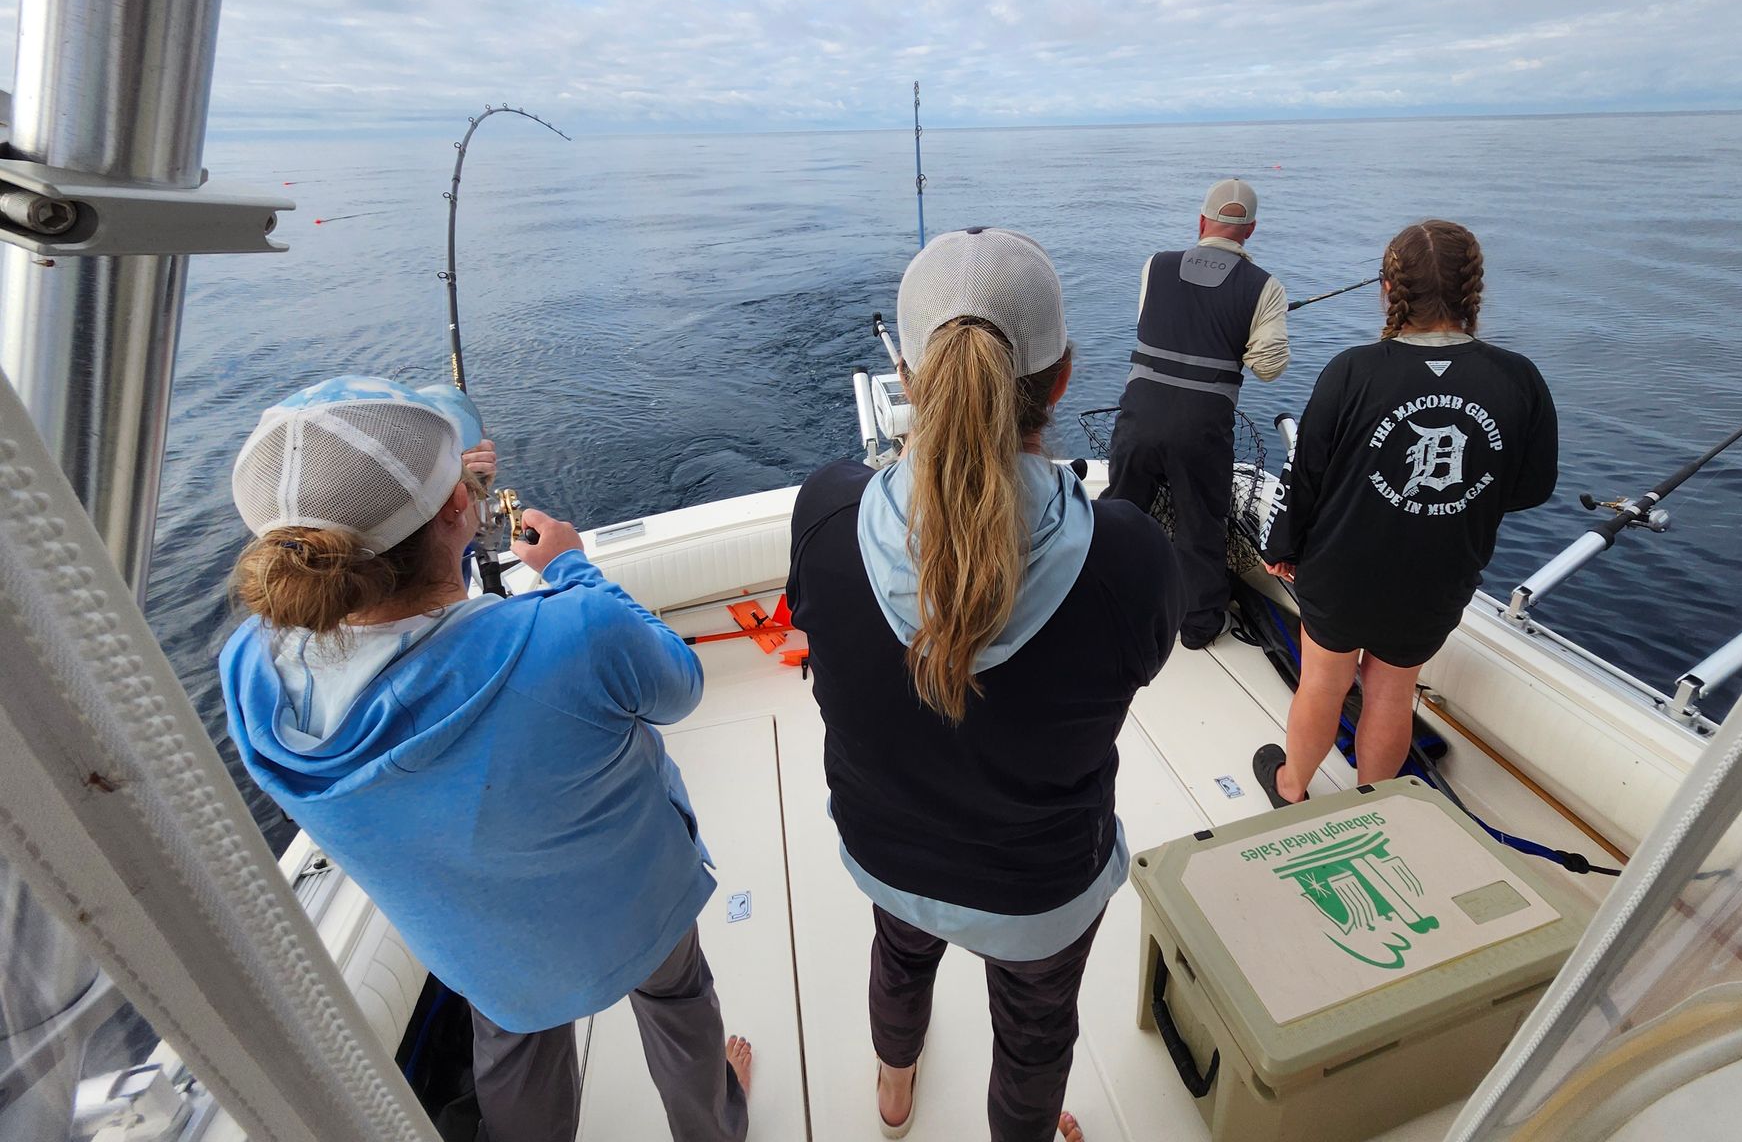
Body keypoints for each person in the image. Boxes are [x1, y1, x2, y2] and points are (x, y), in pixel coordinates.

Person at [218, 376, 750, 1142]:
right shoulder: (578, 628)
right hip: (636, 913)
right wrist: (571, 567)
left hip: (486, 952)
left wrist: (447, 516)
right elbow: (682, 685)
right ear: (458, 510)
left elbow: (398, 614)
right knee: (678, 1004)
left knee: (514, 1052)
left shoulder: (250, 677)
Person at [789, 229, 1179, 1142]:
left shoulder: (825, 512)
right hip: (1040, 891)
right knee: (1037, 1033)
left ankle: (894, 1089)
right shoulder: (1129, 559)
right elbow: (1141, 666)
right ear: (1064, 375)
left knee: (900, 955)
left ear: (910, 380)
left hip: (885, 853)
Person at [1251, 220, 1558, 807]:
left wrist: (1282, 547)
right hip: (1438, 573)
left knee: (1324, 682)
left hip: (1342, 568)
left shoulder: (1352, 370)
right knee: (1392, 691)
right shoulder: (1519, 378)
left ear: (1389, 289)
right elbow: (1531, 487)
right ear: (1475, 291)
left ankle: (1292, 787)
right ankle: (1374, 801)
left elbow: (1305, 476)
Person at [1105, 177, 1289, 649]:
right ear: (1250, 230)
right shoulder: (1265, 288)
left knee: (1121, 508)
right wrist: (1251, 334)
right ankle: (1199, 625)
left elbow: (1153, 320)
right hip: (1201, 429)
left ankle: (1101, 596)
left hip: (1139, 415)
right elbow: (1268, 367)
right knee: (1201, 524)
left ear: (1201, 221)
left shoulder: (1156, 266)